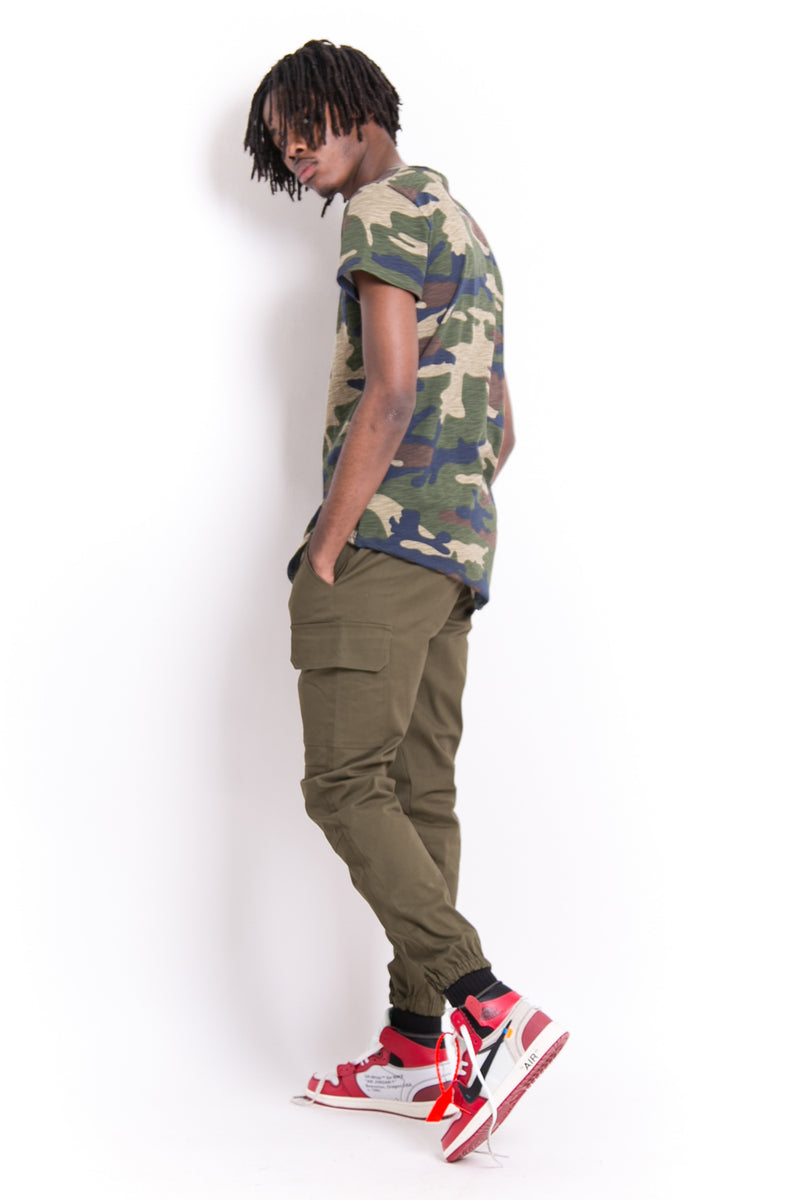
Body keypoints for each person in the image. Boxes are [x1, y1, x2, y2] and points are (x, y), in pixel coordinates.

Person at [244, 39, 568, 1162]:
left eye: (305, 121)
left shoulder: (378, 213)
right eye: (280, 140)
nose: (295, 147)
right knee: (419, 793)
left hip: (381, 547)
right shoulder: (462, 226)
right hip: (456, 553)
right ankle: (419, 1044)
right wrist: (444, 517)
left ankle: (483, 1005)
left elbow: (389, 391)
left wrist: (331, 544)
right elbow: (501, 427)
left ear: (362, 107)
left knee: (343, 784)